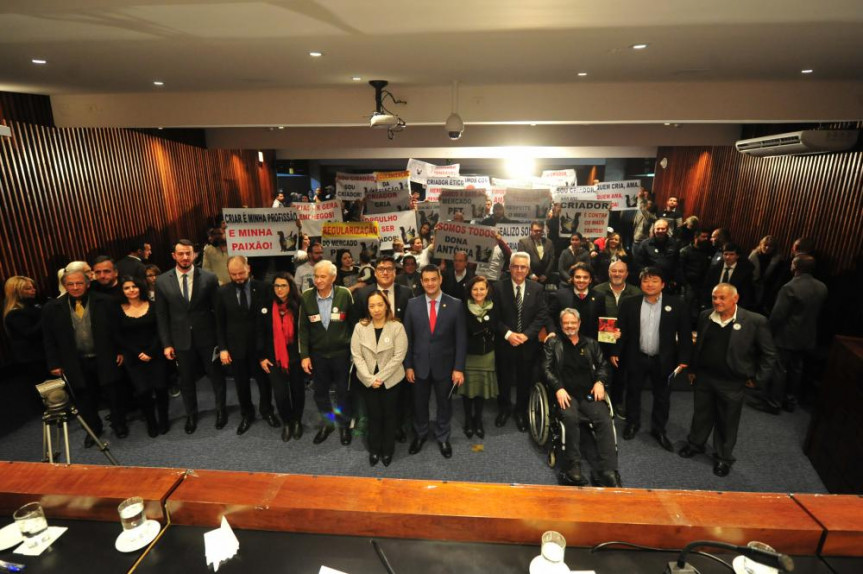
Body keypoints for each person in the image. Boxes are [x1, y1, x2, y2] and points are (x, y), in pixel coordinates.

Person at [679, 283, 776, 477]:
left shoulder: (754, 321)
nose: (717, 301)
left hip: (732, 381)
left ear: (735, 298)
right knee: (701, 415)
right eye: (715, 297)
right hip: (704, 378)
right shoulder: (705, 316)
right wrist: (693, 369)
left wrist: (758, 380)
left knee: (727, 421)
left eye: (722, 298)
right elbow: (698, 347)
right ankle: (695, 444)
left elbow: (769, 354)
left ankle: (723, 457)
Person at [611, 267, 692, 450]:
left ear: (662, 284)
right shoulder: (629, 303)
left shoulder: (677, 304)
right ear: (640, 284)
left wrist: (684, 359)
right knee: (632, 392)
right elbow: (620, 331)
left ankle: (659, 430)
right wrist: (615, 351)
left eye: (654, 280)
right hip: (636, 356)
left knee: (662, 397)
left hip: (664, 360)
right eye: (646, 280)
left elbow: (685, 334)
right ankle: (632, 424)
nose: (650, 284)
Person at [42, 268, 124, 445]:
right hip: (75, 362)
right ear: (64, 286)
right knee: (84, 397)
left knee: (113, 393)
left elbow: (118, 329)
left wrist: (120, 351)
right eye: (70, 284)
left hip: (104, 356)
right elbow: (49, 338)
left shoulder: (106, 302)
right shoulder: (52, 308)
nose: (75, 287)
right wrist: (54, 363)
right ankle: (93, 429)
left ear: (87, 283)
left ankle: (119, 424)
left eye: (79, 283)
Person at [155, 239, 228, 434]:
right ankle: (191, 415)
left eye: (188, 253)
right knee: (186, 381)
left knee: (216, 378)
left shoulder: (209, 278)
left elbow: (218, 314)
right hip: (180, 341)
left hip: (208, 339)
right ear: (174, 256)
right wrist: (166, 344)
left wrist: (221, 344)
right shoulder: (161, 281)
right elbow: (161, 316)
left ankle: (221, 410)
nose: (185, 257)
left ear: (194, 254)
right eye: (181, 254)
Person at [542, 308, 620, 487]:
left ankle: (608, 469)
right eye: (566, 323)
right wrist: (558, 388)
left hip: (588, 393)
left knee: (604, 418)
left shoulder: (590, 343)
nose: (570, 326)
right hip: (565, 393)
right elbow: (546, 369)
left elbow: (602, 365)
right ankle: (572, 465)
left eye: (573, 322)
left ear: (579, 324)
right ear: (561, 325)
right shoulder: (553, 343)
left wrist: (600, 382)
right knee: (570, 418)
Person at [403, 264, 467, 458]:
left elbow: (461, 339)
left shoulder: (455, 304)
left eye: (434, 279)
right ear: (421, 282)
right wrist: (408, 366)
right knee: (419, 403)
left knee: (444, 404)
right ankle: (420, 434)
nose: (430, 283)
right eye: (426, 280)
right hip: (419, 365)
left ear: (440, 279)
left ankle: (443, 436)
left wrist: (458, 368)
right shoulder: (412, 305)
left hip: (446, 367)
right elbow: (407, 339)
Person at [753, 255, 827, 413]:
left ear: (795, 267)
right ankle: (790, 401)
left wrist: (768, 332)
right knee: (796, 369)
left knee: (779, 369)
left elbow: (778, 315)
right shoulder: (822, 287)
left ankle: (774, 403)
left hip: (786, 335)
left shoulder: (790, 287)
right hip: (807, 336)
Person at [216, 256, 279, 435]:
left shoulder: (264, 288)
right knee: (241, 384)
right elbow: (219, 323)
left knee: (264, 382)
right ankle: (247, 414)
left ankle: (267, 411)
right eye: (233, 274)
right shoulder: (222, 292)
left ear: (248, 268)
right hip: (236, 348)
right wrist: (223, 348)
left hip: (260, 348)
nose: (238, 277)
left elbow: (269, 321)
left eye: (241, 273)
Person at [298, 260, 355, 445]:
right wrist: (304, 355)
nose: (318, 280)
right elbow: (303, 329)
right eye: (316, 276)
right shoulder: (306, 297)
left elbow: (353, 325)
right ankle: (328, 423)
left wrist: (355, 353)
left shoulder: (344, 294)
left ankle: (344, 424)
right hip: (318, 356)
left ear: (333, 277)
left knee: (343, 392)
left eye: (323, 276)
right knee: (320, 392)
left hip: (341, 354)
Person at [493, 252, 551, 431]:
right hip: (505, 342)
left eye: (523, 267)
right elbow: (493, 316)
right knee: (503, 379)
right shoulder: (497, 287)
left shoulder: (537, 289)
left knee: (525, 380)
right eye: (515, 266)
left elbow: (542, 315)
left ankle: (520, 412)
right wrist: (508, 334)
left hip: (528, 344)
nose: (519, 270)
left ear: (528, 269)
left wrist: (527, 335)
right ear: (509, 268)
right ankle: (504, 409)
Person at [351, 291, 408, 467]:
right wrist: (369, 379)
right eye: (372, 305)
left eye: (380, 305)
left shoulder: (397, 327)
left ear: (386, 306)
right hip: (367, 381)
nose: (376, 309)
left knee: (390, 415)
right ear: (367, 308)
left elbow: (399, 356)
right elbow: (356, 356)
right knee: (373, 415)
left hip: (391, 380)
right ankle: (375, 449)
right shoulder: (360, 327)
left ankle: (388, 450)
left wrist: (380, 378)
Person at [117, 276, 170, 437]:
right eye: (127, 287)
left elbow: (161, 330)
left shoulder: (153, 306)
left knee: (161, 388)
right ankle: (151, 422)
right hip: (133, 357)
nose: (131, 290)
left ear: (141, 288)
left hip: (156, 353)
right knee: (143, 391)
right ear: (122, 291)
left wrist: (150, 352)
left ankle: (163, 420)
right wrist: (138, 353)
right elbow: (119, 336)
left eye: (134, 286)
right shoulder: (118, 310)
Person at [258, 272, 305, 442]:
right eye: (276, 286)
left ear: (290, 286)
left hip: (296, 357)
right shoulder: (265, 305)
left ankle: (297, 421)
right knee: (280, 394)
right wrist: (262, 357)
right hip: (274, 358)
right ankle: (287, 422)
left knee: (298, 392)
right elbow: (260, 333)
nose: (279, 289)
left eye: (283, 285)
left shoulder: (299, 304)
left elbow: (306, 332)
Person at [593, 261, 642, 414]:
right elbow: (593, 316)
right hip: (602, 340)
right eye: (614, 271)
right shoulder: (597, 290)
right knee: (600, 371)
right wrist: (610, 332)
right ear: (609, 273)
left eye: (621, 271)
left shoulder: (636, 292)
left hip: (626, 342)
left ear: (626, 274)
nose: (617, 274)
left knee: (621, 374)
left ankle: (617, 401)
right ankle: (599, 401)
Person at [459, 275, 499, 439]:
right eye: (475, 289)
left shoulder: (494, 306)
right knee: (468, 391)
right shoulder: (462, 307)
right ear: (470, 291)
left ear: (487, 290)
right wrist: (483, 328)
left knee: (481, 390)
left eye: (482, 288)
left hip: (487, 354)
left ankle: (478, 420)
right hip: (468, 355)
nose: (478, 292)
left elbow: (495, 326)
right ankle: (468, 420)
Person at [3, 276, 46, 383]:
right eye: (28, 288)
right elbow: (30, 333)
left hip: (41, 355)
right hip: (32, 359)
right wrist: (47, 315)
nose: (33, 290)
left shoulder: (35, 306)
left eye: (33, 287)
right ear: (16, 292)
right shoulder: (15, 314)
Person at [550, 263, 606, 340]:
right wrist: (552, 331)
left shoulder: (599, 297)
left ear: (590, 280)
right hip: (565, 341)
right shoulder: (560, 295)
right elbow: (550, 316)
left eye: (585, 277)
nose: (581, 280)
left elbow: (604, 322)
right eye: (578, 277)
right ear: (572, 278)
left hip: (591, 344)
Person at [703, 242, 755, 310]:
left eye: (731, 254)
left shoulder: (744, 272)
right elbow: (707, 287)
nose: (728, 257)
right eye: (725, 254)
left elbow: (746, 294)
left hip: (733, 306)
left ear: (737, 256)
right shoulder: (715, 268)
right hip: (714, 304)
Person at [635, 219, 680, 292]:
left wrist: (675, 279)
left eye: (663, 228)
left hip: (667, 281)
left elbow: (677, 263)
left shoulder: (674, 244)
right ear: (654, 229)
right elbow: (639, 263)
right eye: (658, 228)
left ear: (667, 229)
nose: (660, 231)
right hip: (650, 280)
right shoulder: (645, 244)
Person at [748, 235, 783, 313]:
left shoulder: (777, 260)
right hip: (751, 286)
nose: (767, 248)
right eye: (765, 245)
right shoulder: (753, 256)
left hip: (767, 289)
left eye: (770, 246)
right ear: (761, 245)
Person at [518, 221, 555, 286]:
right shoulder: (523, 242)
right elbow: (522, 260)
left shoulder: (549, 242)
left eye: (540, 231)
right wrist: (530, 274)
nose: (538, 233)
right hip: (528, 278)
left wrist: (546, 274)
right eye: (536, 231)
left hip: (544, 279)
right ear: (531, 230)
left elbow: (552, 260)